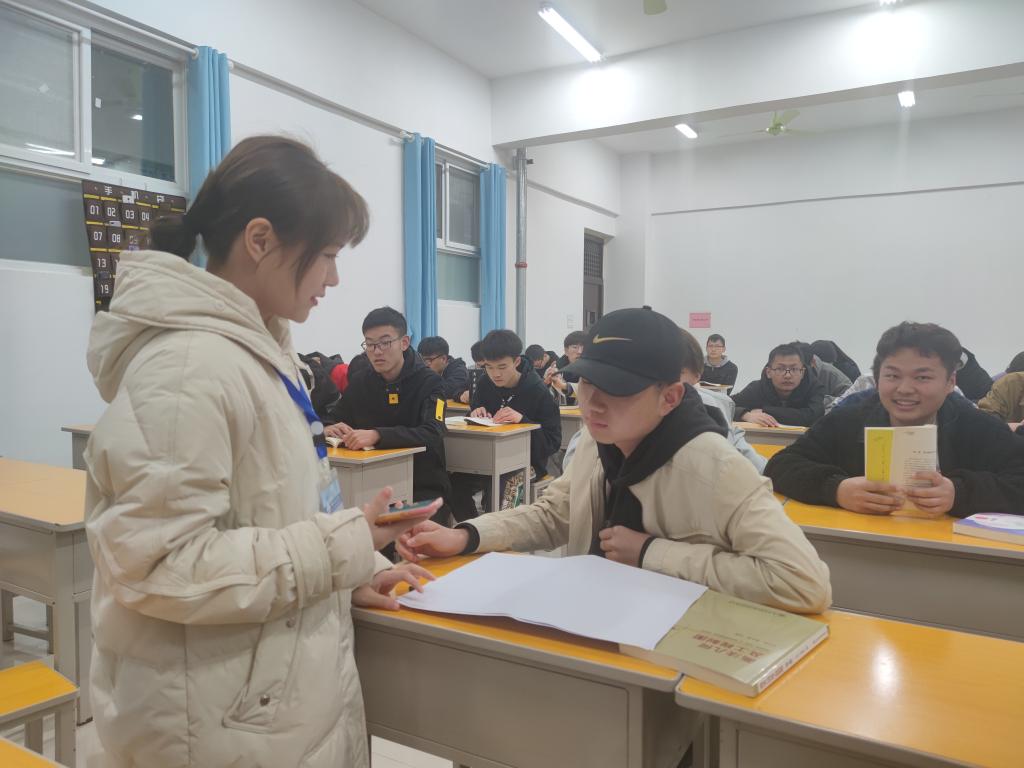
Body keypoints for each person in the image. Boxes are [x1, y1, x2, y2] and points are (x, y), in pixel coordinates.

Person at [83, 136, 438, 768]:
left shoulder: (261, 357)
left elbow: (267, 516)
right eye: (326, 256)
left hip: (255, 697)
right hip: (210, 726)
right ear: (260, 240)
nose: (334, 278)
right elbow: (160, 563)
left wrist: (346, 578)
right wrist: (342, 547)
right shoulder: (188, 369)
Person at [399, 308, 832, 614]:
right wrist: (467, 535)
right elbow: (555, 514)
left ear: (670, 397)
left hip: (675, 642)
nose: (592, 403)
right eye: (587, 382)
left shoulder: (714, 465)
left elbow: (803, 582)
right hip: (593, 617)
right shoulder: (596, 440)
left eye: (619, 389)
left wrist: (651, 552)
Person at [765, 322, 1024, 518]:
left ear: (950, 382)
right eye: (892, 376)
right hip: (865, 547)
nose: (904, 389)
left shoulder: (977, 426)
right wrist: (836, 489)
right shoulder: (849, 419)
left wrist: (959, 492)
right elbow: (782, 465)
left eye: (922, 377)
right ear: (878, 379)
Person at [326, 307, 452, 524]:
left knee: (408, 536)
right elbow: (334, 416)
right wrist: (328, 427)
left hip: (422, 486)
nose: (377, 351)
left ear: (404, 343)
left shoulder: (431, 383)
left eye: (385, 343)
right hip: (369, 485)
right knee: (339, 527)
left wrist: (378, 435)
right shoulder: (361, 382)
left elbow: (434, 432)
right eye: (370, 344)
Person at [449, 330, 561, 521]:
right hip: (487, 458)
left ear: (516, 361)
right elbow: (476, 418)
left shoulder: (537, 389)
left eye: (502, 367)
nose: (496, 374)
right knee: (452, 484)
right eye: (489, 367)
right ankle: (474, 529)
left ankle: (501, 536)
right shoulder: (485, 384)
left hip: (528, 462)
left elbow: (553, 441)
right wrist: (474, 414)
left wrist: (523, 420)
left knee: (507, 485)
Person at [678, 330, 766, 472]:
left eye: (717, 346)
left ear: (696, 375)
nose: (713, 349)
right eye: (710, 346)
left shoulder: (716, 403)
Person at [732, 343, 826, 427]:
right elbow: (727, 405)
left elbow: (813, 416)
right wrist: (745, 415)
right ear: (768, 372)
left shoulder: (814, 388)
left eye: (794, 369)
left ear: (802, 372)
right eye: (780, 369)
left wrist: (765, 411)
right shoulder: (757, 388)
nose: (788, 375)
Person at [417, 335, 469, 401]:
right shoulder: (421, 369)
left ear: (443, 359)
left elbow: (448, 391)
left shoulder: (459, 371)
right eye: (422, 360)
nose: (425, 364)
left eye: (429, 360)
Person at [545, 330, 588, 404]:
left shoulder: (594, 371)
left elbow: (593, 392)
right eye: (575, 347)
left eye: (584, 347)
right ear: (566, 351)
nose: (579, 352)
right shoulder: (554, 370)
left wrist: (564, 386)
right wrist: (546, 384)